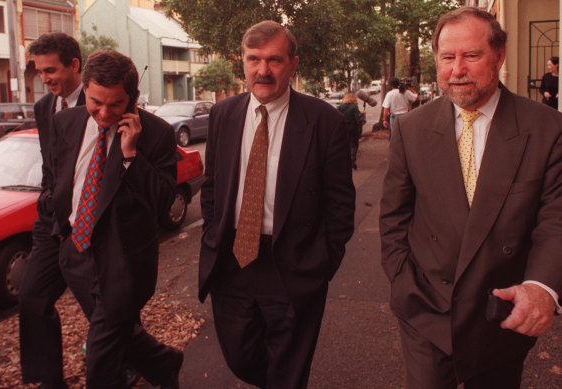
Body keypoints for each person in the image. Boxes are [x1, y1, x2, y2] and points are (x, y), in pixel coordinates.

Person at [379, 6, 562, 388]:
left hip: (501, 310)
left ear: (499, 56)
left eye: (472, 56)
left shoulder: (546, 129)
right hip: (425, 309)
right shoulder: (411, 130)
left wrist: (542, 288)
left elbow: (555, 219)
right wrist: (402, 281)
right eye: (447, 57)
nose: (457, 69)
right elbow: (394, 219)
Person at [199, 20, 355, 389]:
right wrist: (211, 234)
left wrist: (319, 264)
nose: (263, 70)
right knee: (240, 357)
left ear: (293, 64)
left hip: (293, 267)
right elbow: (212, 187)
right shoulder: (223, 114)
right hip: (232, 261)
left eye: (274, 60)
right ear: (242, 61)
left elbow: (340, 205)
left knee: (288, 373)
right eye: (254, 59)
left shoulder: (324, 122)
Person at [49, 50, 182, 389]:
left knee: (101, 358)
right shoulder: (66, 122)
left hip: (124, 264)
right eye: (96, 102)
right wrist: (60, 229)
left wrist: (130, 155)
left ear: (132, 99)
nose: (104, 113)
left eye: (116, 104)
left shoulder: (158, 134)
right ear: (86, 91)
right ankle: (164, 362)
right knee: (118, 330)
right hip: (76, 253)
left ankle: (153, 366)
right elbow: (58, 178)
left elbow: (164, 201)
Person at [19, 32, 86, 389]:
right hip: (51, 220)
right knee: (32, 297)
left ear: (74, 65)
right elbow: (50, 163)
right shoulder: (43, 107)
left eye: (50, 70)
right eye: (39, 71)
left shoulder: (100, 101)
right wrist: (46, 201)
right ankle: (48, 381)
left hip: (90, 222)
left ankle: (147, 363)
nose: (44, 79)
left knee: (104, 309)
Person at [338, 92, 364, 169]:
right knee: (354, 144)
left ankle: (345, 160)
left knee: (346, 144)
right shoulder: (354, 106)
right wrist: (362, 114)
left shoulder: (341, 106)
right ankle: (352, 159)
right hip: (353, 127)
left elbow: (336, 114)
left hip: (344, 127)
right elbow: (358, 117)